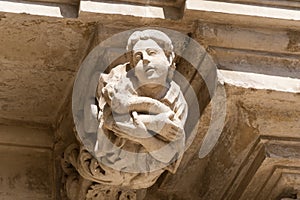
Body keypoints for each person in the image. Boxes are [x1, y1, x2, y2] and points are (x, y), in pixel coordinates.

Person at [93, 29, 188, 188]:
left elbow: (170, 154)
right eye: (138, 57)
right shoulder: (123, 80)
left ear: (169, 58)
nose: (145, 60)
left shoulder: (177, 99)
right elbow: (114, 119)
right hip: (110, 161)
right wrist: (156, 122)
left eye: (152, 53)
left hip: (144, 175)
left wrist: (144, 136)